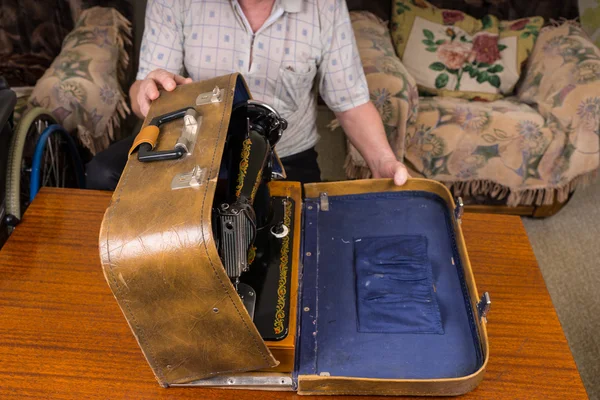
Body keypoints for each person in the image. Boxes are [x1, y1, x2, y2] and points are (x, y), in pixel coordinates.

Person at [86, 0, 409, 189]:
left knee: (289, 247)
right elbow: (146, 86)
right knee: (103, 173)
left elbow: (350, 102)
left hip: (286, 154)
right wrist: (145, 91)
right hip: (196, 143)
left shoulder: (325, 6)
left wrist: (383, 161)